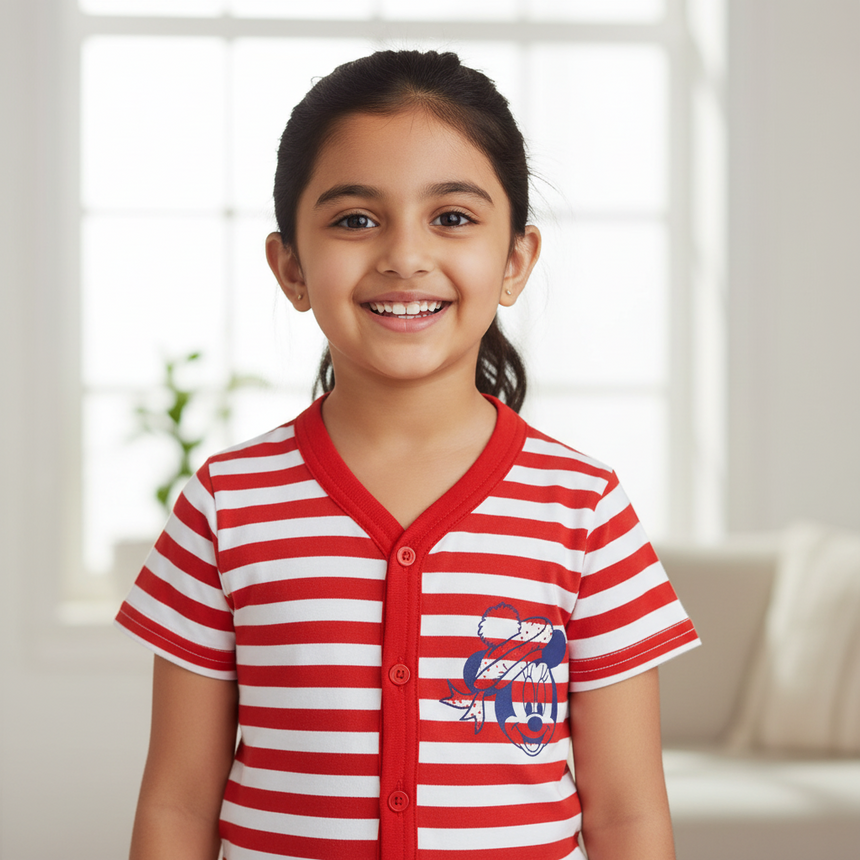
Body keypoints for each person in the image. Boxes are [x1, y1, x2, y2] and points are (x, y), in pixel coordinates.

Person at [117, 49, 699, 860]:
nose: (403, 255)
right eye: (355, 219)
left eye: (452, 218)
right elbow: (178, 804)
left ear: (515, 261)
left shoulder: (585, 508)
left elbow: (628, 815)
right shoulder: (225, 505)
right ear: (290, 265)